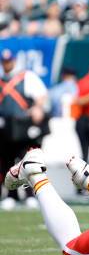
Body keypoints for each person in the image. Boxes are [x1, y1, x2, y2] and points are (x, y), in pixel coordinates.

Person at [0, 49, 48, 210]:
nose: (7, 64)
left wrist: (37, 108)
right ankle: (10, 195)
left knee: (26, 161)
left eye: (9, 61)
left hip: (23, 126)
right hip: (5, 127)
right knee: (6, 162)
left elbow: (41, 96)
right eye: (4, 61)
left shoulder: (26, 76)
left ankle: (29, 195)